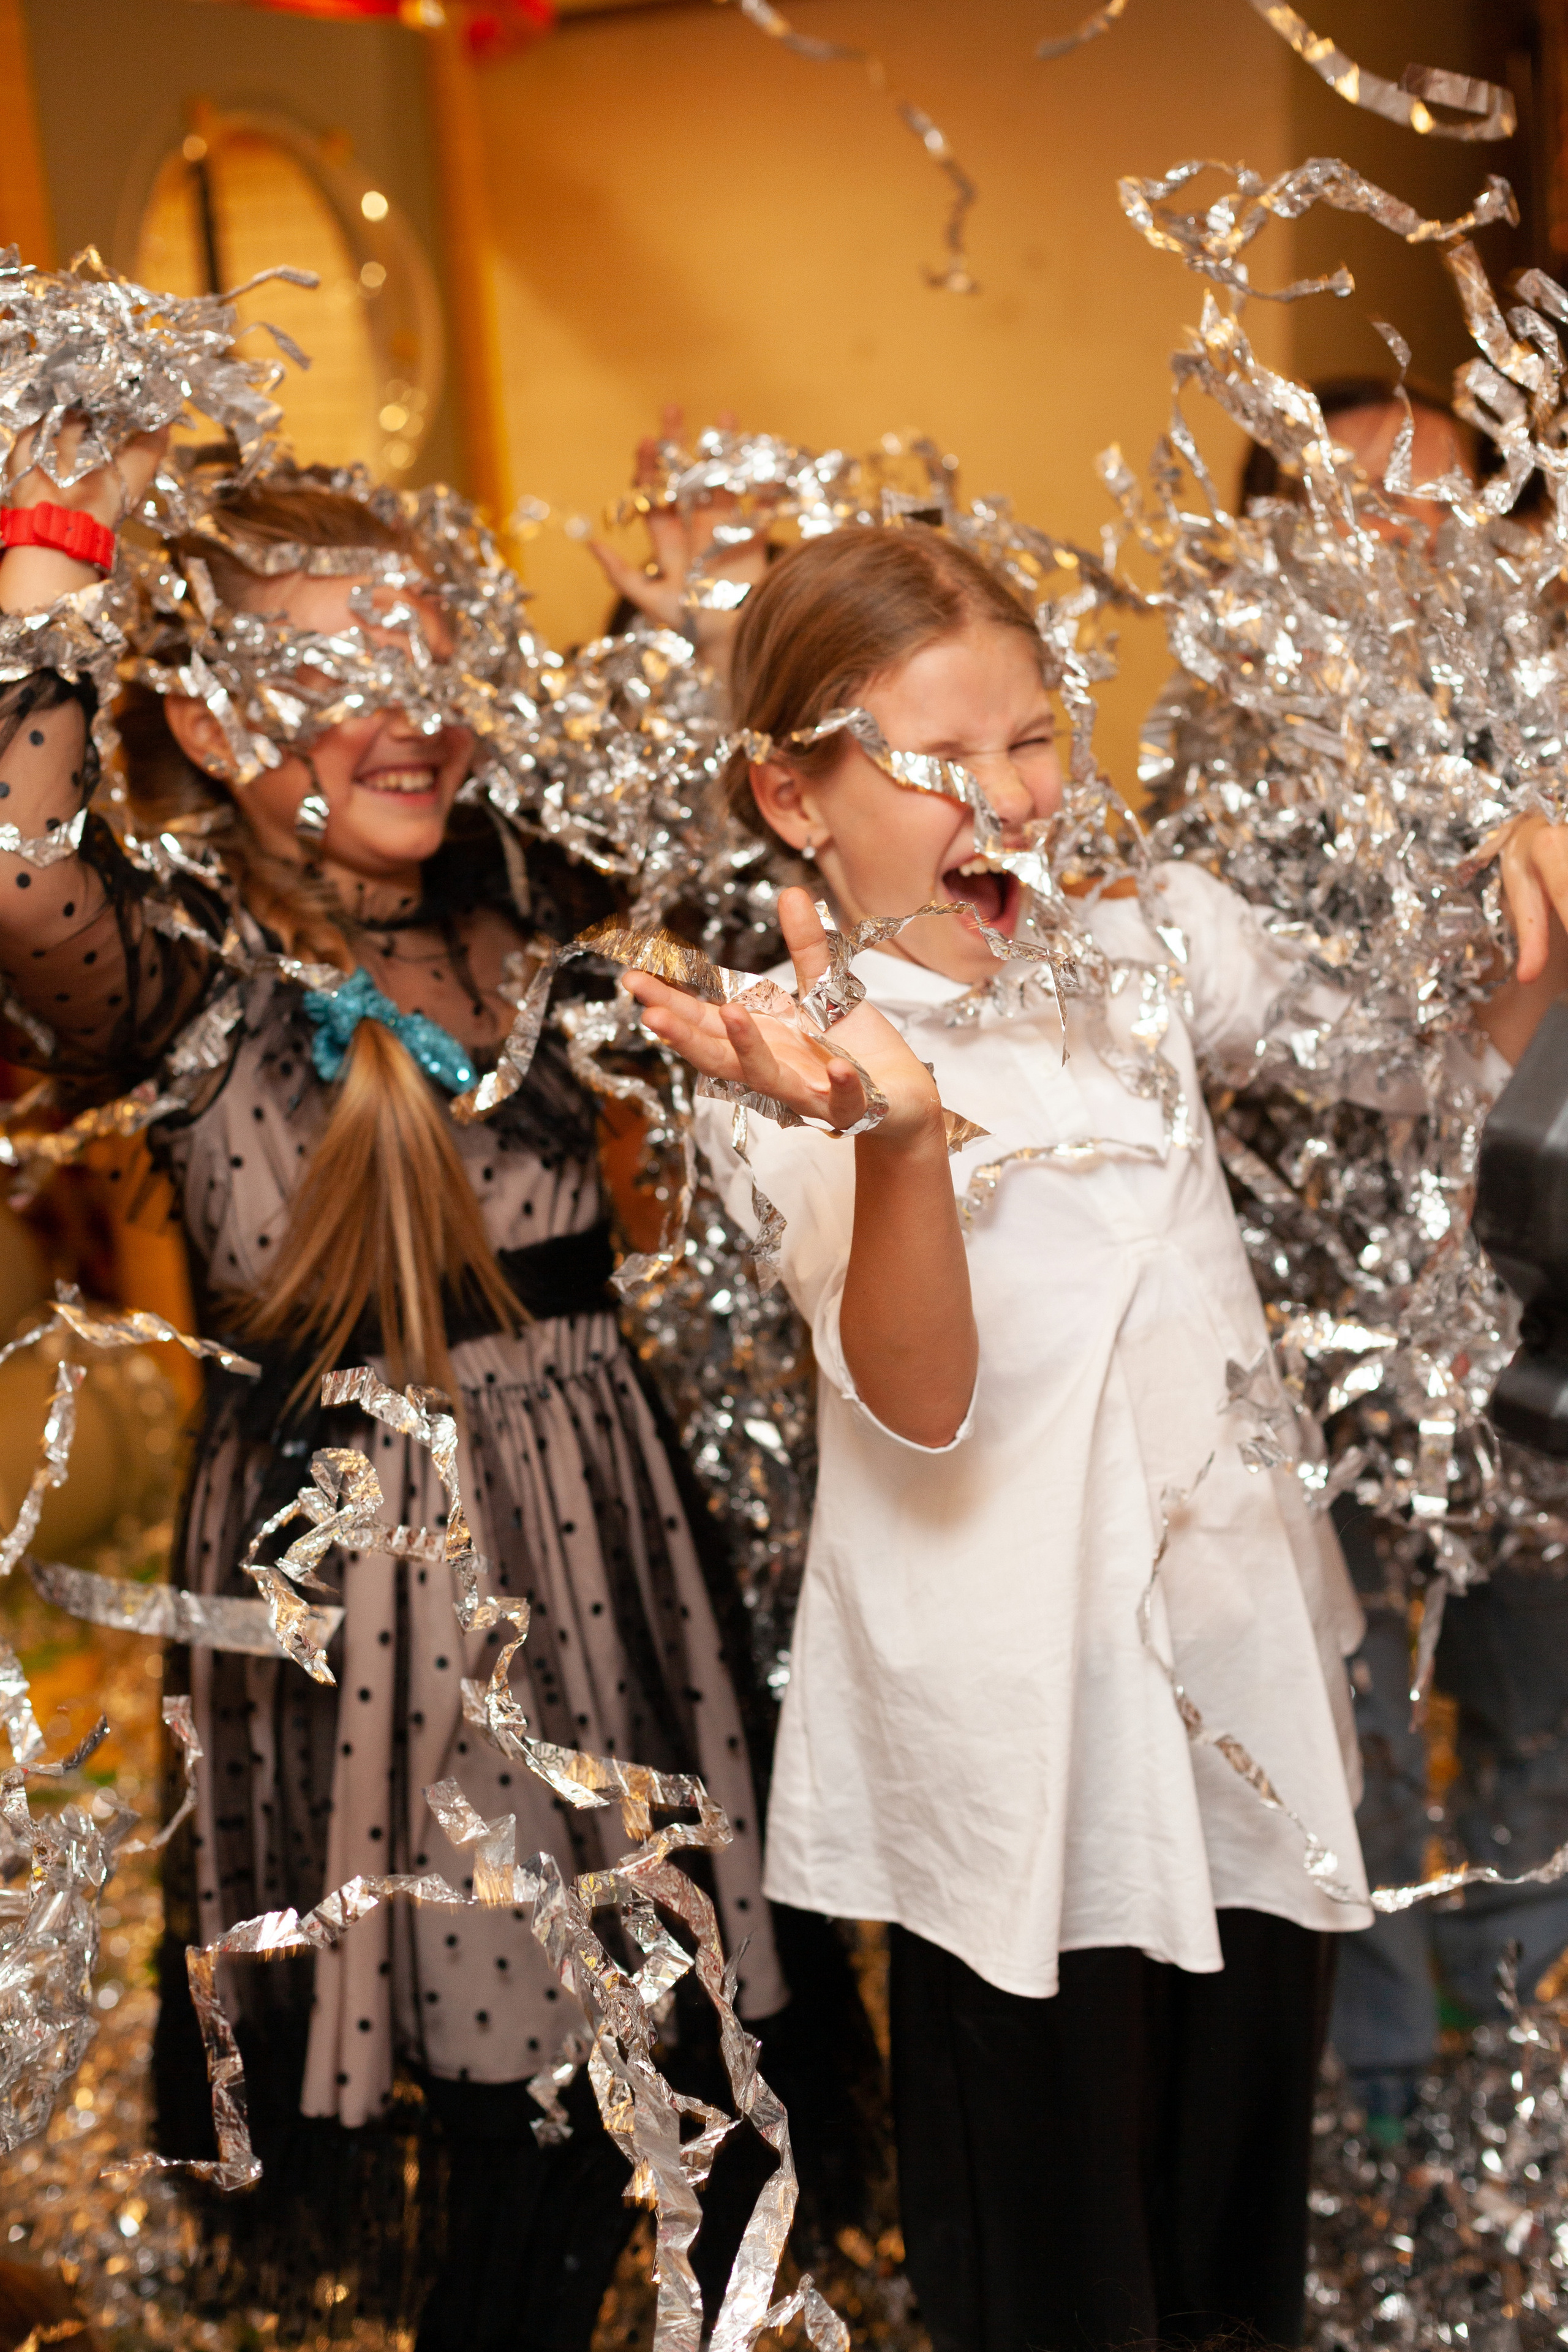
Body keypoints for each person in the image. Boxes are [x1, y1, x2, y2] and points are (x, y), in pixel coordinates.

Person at [618, 520, 1568, 2352]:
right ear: (791, 795)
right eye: (937, 761)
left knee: (1233, 2253)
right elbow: (921, 1396)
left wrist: (1528, 878)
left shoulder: (1147, 941)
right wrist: (897, 1135)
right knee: (1056, 2274)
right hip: (1011, 1743)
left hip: (1237, 1686)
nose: (1010, 799)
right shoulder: (784, 1050)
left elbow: (1433, 1045)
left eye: (1034, 738)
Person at [0, 419, 790, 2350]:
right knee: (519, 2082)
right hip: (385, 1599)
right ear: (207, 701)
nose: (408, 718)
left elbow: (710, 803)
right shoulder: (186, 966)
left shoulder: (516, 899)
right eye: (339, 675)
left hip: (603, 1558)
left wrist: (686, 591)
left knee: (656, 2075)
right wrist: (50, 561)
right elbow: (17, 873)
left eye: (429, 665)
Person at [1235, 377, 1568, 2135]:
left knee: (1536, 1703)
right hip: (1319, 1349)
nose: (1415, 549)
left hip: (1544, 1330)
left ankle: (1518, 2074)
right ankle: (1376, 2102)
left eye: (1457, 509)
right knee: (1349, 1716)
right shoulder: (1217, 797)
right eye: (1366, 509)